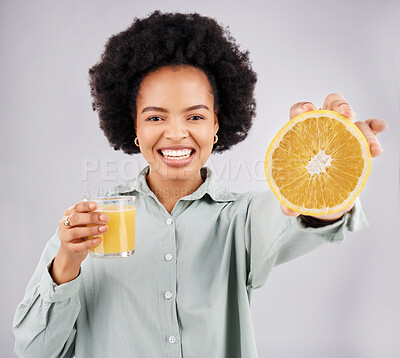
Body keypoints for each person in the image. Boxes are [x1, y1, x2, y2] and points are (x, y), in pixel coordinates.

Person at [13, 10, 387, 358]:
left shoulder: (240, 219)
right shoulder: (91, 225)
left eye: (195, 115)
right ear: (135, 130)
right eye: (156, 117)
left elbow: (306, 211)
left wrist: (339, 154)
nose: (177, 134)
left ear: (216, 126)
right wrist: (67, 263)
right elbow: (34, 351)